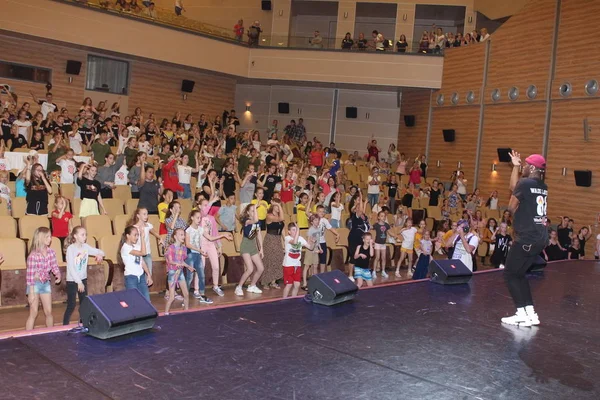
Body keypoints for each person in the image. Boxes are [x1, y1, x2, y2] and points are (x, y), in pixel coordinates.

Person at [501, 151, 548, 327]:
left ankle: (521, 313)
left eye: (526, 165)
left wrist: (515, 166)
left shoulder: (525, 183)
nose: (524, 168)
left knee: (510, 274)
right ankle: (531, 313)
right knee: (519, 274)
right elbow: (517, 189)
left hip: (527, 238)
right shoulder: (542, 186)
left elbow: (512, 196)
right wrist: (516, 166)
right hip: (539, 238)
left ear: (533, 168)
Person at [62, 226, 104, 325]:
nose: (85, 237)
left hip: (83, 279)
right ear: (75, 236)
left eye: (85, 234)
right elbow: (71, 268)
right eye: (82, 235)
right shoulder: (70, 249)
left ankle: (83, 323)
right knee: (71, 305)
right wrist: (79, 282)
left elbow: (101, 251)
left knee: (84, 303)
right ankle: (64, 325)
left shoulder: (86, 247)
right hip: (73, 280)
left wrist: (99, 255)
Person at [25, 227, 61, 330]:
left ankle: (50, 333)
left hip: (45, 283)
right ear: (40, 238)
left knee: (48, 311)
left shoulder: (51, 252)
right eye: (48, 237)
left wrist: (58, 274)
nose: (50, 239)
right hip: (34, 284)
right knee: (34, 312)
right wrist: (31, 292)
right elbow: (30, 275)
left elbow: (54, 266)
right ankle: (27, 336)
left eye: (50, 236)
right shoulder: (33, 255)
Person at [235, 204, 265, 295]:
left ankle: (252, 286)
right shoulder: (246, 221)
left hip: (253, 246)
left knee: (260, 268)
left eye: (254, 210)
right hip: (246, 245)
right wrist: (256, 207)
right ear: (248, 212)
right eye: (252, 210)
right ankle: (239, 287)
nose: (254, 212)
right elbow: (255, 220)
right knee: (250, 269)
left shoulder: (257, 223)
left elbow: (258, 235)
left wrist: (261, 249)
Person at [119, 225, 154, 301]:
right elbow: (143, 253)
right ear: (128, 236)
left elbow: (142, 262)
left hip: (141, 276)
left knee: (146, 300)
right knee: (134, 301)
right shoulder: (125, 247)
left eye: (138, 235)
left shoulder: (136, 246)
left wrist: (148, 275)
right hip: (131, 277)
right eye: (135, 235)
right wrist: (142, 237)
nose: (137, 237)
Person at [185, 210, 212, 304]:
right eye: (197, 217)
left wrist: (222, 235)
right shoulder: (188, 230)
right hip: (191, 254)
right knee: (190, 276)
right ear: (192, 217)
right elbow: (187, 244)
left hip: (197, 254)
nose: (199, 219)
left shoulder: (200, 229)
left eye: (200, 218)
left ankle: (202, 295)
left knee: (202, 275)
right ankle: (186, 296)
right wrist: (199, 250)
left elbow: (210, 238)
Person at [165, 228, 193, 315]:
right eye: (181, 234)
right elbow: (170, 261)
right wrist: (176, 263)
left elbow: (182, 261)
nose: (183, 236)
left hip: (180, 272)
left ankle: (186, 311)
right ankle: (166, 313)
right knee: (172, 297)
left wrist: (188, 266)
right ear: (175, 236)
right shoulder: (171, 248)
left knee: (186, 294)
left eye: (183, 234)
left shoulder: (184, 248)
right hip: (173, 273)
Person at [282, 223, 312, 298]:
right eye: (293, 230)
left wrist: (312, 241)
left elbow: (310, 247)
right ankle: (283, 300)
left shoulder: (301, 239)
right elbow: (294, 242)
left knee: (297, 285)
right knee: (289, 285)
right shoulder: (287, 238)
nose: (295, 231)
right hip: (288, 264)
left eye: (296, 230)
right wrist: (298, 230)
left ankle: (293, 299)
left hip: (297, 264)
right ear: (289, 232)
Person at [261, 200, 285, 290]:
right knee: (270, 260)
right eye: (277, 206)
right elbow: (281, 219)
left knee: (278, 259)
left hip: (277, 240)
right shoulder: (269, 216)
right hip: (270, 239)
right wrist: (278, 204)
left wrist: (285, 241)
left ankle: (273, 282)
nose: (278, 208)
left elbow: (282, 229)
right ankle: (265, 282)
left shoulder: (279, 216)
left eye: (279, 206)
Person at [372, 211, 394, 279]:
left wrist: (396, 235)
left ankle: (383, 271)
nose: (383, 217)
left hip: (383, 243)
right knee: (377, 257)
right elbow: (370, 229)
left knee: (383, 258)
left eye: (384, 216)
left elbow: (390, 232)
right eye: (381, 216)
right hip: (377, 243)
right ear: (378, 217)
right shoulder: (376, 225)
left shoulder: (386, 225)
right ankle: (374, 272)